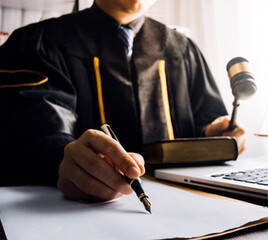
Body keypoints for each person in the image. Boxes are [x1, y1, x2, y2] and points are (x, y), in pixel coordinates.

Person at [0, 0, 246, 202]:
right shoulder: (40, 42)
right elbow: (35, 131)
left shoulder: (184, 49)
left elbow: (206, 117)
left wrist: (212, 133)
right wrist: (65, 158)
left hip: (186, 204)